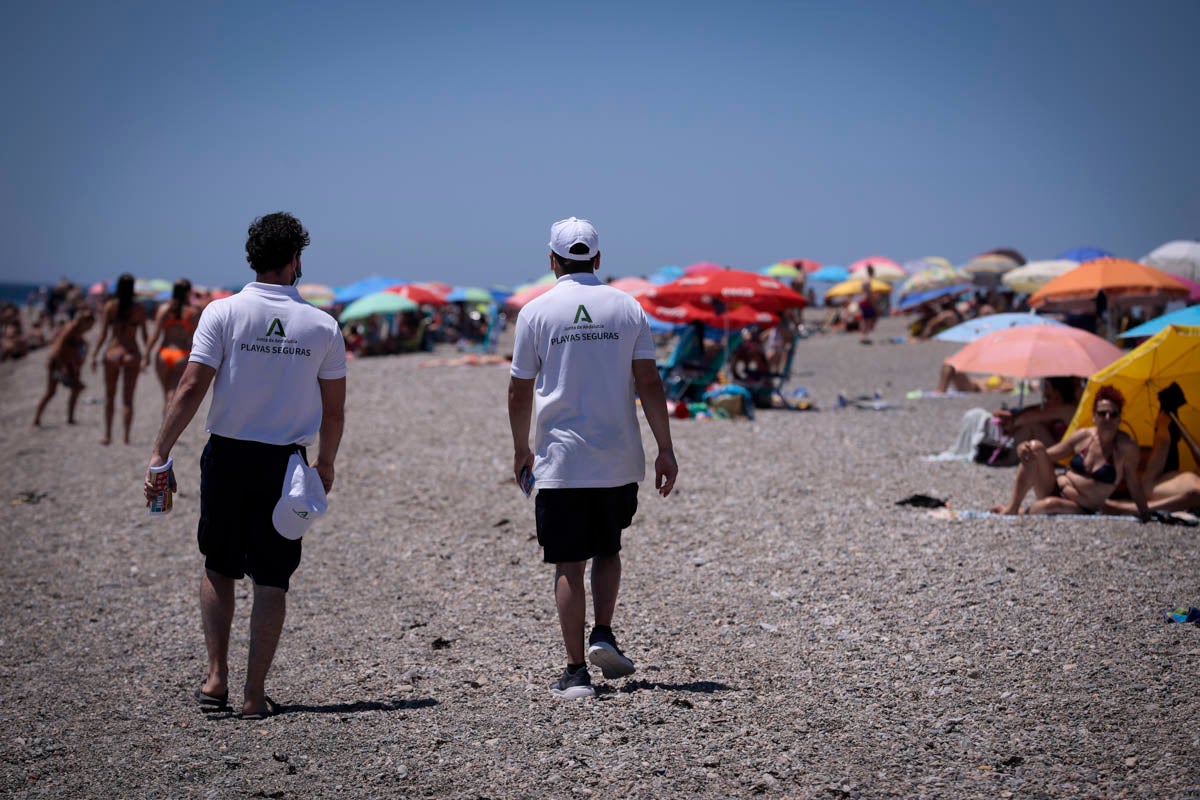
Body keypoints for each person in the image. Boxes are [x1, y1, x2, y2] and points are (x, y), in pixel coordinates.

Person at [142, 212, 346, 719]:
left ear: (253, 257)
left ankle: (216, 680)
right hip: (287, 464)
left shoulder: (223, 312)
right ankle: (254, 696)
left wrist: (159, 453)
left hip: (229, 454)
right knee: (273, 578)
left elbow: (191, 387)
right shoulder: (322, 325)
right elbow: (335, 408)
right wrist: (327, 462)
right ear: (295, 258)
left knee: (219, 565)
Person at [508, 217, 678, 700]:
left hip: (561, 459)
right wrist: (665, 448)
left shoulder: (536, 312)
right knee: (609, 548)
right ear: (598, 259)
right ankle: (603, 631)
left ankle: (576, 671)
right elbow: (649, 383)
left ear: (552, 260)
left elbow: (519, 391)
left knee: (567, 563)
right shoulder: (627, 308)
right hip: (618, 456)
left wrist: (522, 448)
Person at [990, 386, 1148, 517]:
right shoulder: (1084, 436)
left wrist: (1145, 513)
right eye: (1102, 413)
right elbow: (1045, 455)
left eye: (1113, 414)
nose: (1107, 418)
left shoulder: (1125, 448)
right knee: (1034, 448)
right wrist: (1023, 449)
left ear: (1119, 418)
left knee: (1051, 504)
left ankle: (1020, 511)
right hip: (1053, 487)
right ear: (1094, 416)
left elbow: (1134, 483)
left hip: (1082, 506)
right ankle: (1012, 507)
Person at [92, 273, 149, 444]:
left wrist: (94, 354)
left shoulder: (110, 306)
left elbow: (103, 334)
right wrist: (147, 356)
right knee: (128, 398)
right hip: (131, 353)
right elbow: (145, 335)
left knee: (110, 396)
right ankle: (126, 437)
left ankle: (108, 434)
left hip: (113, 352)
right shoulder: (139, 309)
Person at [144, 279, 202, 415]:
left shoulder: (164, 309)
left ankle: (164, 427)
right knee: (172, 395)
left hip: (163, 354)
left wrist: (146, 355)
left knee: (166, 394)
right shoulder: (192, 312)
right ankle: (167, 431)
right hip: (181, 354)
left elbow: (155, 335)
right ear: (188, 293)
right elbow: (197, 338)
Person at [32, 310, 95, 427]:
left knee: (75, 388)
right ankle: (37, 418)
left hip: (68, 364)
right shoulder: (71, 328)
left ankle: (70, 418)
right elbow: (58, 348)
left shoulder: (77, 331)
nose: (90, 328)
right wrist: (62, 367)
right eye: (90, 325)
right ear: (84, 322)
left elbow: (76, 344)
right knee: (51, 392)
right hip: (58, 364)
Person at [858, 265, 880, 344]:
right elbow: (868, 294)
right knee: (870, 318)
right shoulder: (868, 281)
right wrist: (874, 303)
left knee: (864, 319)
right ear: (872, 272)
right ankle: (865, 336)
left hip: (862, 300)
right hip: (867, 301)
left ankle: (863, 336)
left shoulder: (864, 280)